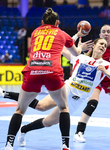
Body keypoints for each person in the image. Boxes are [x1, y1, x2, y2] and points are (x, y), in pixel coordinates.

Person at [1, 25, 110, 145]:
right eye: (100, 44)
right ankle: (5, 94)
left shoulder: (106, 64)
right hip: (66, 90)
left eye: (104, 45)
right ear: (94, 46)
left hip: (77, 100)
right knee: (40, 106)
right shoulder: (80, 58)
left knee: (48, 122)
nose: (103, 47)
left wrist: (106, 72)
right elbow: (64, 48)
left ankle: (25, 129)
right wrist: (77, 36)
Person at [3, 8, 86, 150]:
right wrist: (80, 45)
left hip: (33, 70)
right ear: (58, 22)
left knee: (19, 110)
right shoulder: (62, 33)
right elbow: (75, 53)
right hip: (52, 71)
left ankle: (9, 144)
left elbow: (54, 40)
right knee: (63, 108)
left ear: (42, 22)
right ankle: (65, 144)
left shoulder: (35, 31)